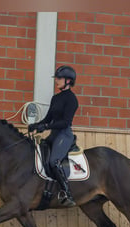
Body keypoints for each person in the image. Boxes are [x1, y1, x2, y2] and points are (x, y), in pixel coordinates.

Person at [28, 65, 79, 207]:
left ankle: (66, 193)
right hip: (54, 134)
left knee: (54, 161)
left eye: (59, 78)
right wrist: (37, 125)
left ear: (68, 81)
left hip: (64, 135)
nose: (56, 80)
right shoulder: (55, 98)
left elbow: (65, 122)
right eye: (56, 78)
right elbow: (48, 119)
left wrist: (46, 127)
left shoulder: (71, 100)